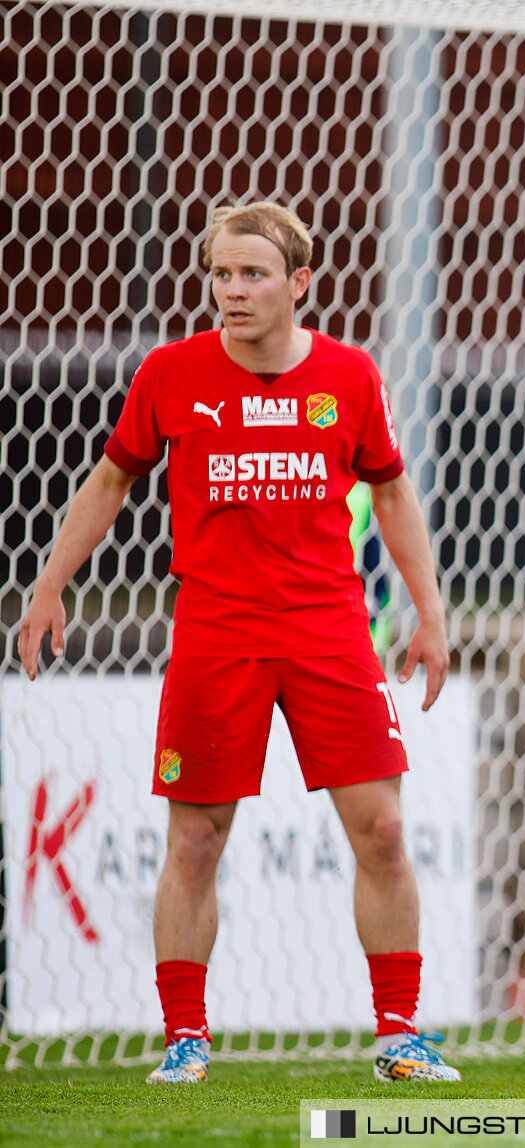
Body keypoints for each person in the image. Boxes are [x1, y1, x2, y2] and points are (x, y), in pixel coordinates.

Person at [16, 202, 463, 1083]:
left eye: (252, 274)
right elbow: (111, 479)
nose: (232, 290)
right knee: (194, 841)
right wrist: (50, 584)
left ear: (299, 282)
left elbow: (397, 495)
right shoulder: (172, 375)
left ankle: (399, 1037)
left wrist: (431, 612)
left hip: (330, 629)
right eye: (221, 273)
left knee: (380, 831)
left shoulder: (351, 375)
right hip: (216, 632)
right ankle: (186, 1042)